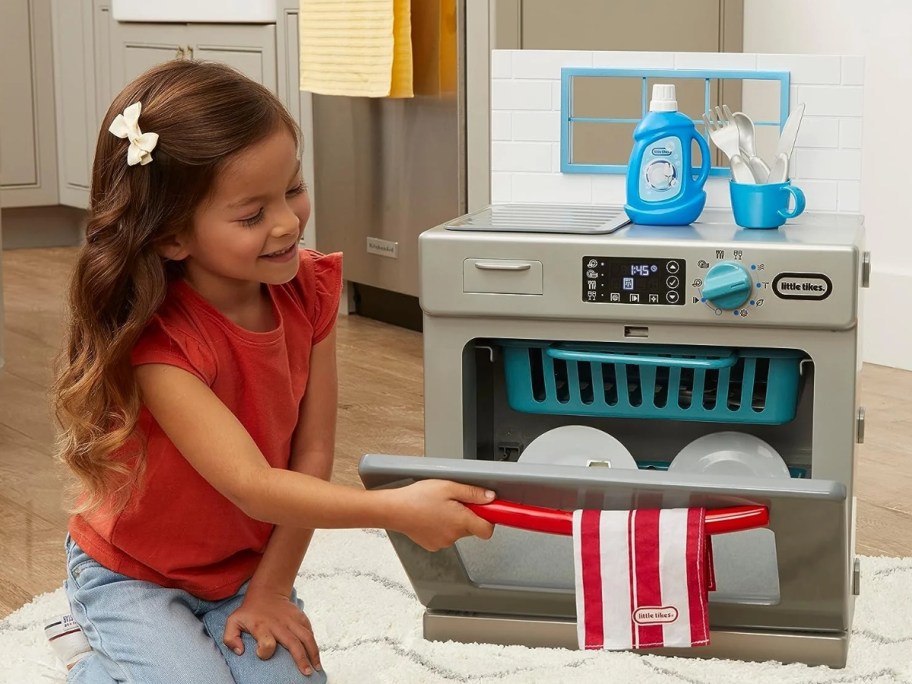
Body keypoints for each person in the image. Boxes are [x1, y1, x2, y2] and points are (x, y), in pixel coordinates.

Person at [49, 59, 495, 684]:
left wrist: (273, 589)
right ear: (174, 237)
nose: (287, 222)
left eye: (292, 188)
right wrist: (398, 509)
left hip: (240, 568)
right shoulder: (161, 342)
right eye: (252, 215)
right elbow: (253, 484)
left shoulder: (309, 289)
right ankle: (94, 664)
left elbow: (310, 454)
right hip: (131, 573)